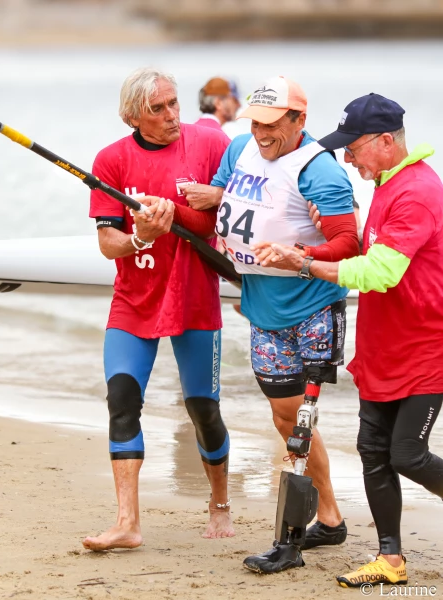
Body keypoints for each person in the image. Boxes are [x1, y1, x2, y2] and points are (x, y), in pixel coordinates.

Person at [253, 93, 443, 588]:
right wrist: (307, 248)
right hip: (382, 346)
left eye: (353, 148)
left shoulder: (418, 191)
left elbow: (380, 272)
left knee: (407, 454)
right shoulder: (385, 184)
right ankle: (390, 560)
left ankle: (391, 557)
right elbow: (363, 251)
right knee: (372, 450)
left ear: (385, 142)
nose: (347, 158)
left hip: (426, 347)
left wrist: (305, 266)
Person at [181, 76, 360, 573]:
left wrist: (298, 253)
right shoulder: (239, 149)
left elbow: (349, 245)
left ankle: (289, 541)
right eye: (255, 122)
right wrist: (204, 198)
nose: (260, 133)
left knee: (300, 424)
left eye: (271, 124)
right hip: (262, 312)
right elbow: (228, 203)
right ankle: (331, 518)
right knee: (284, 417)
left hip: (313, 311)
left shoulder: (320, 171)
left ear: (299, 120)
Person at [84, 67, 233, 551]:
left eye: (174, 104)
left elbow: (237, 208)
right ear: (133, 116)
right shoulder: (111, 160)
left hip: (194, 296)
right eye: (158, 109)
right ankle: (127, 522)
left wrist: (198, 205)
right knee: (122, 400)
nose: (171, 115)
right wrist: (140, 237)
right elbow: (108, 242)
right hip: (135, 299)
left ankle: (219, 502)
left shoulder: (209, 143)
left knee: (203, 410)